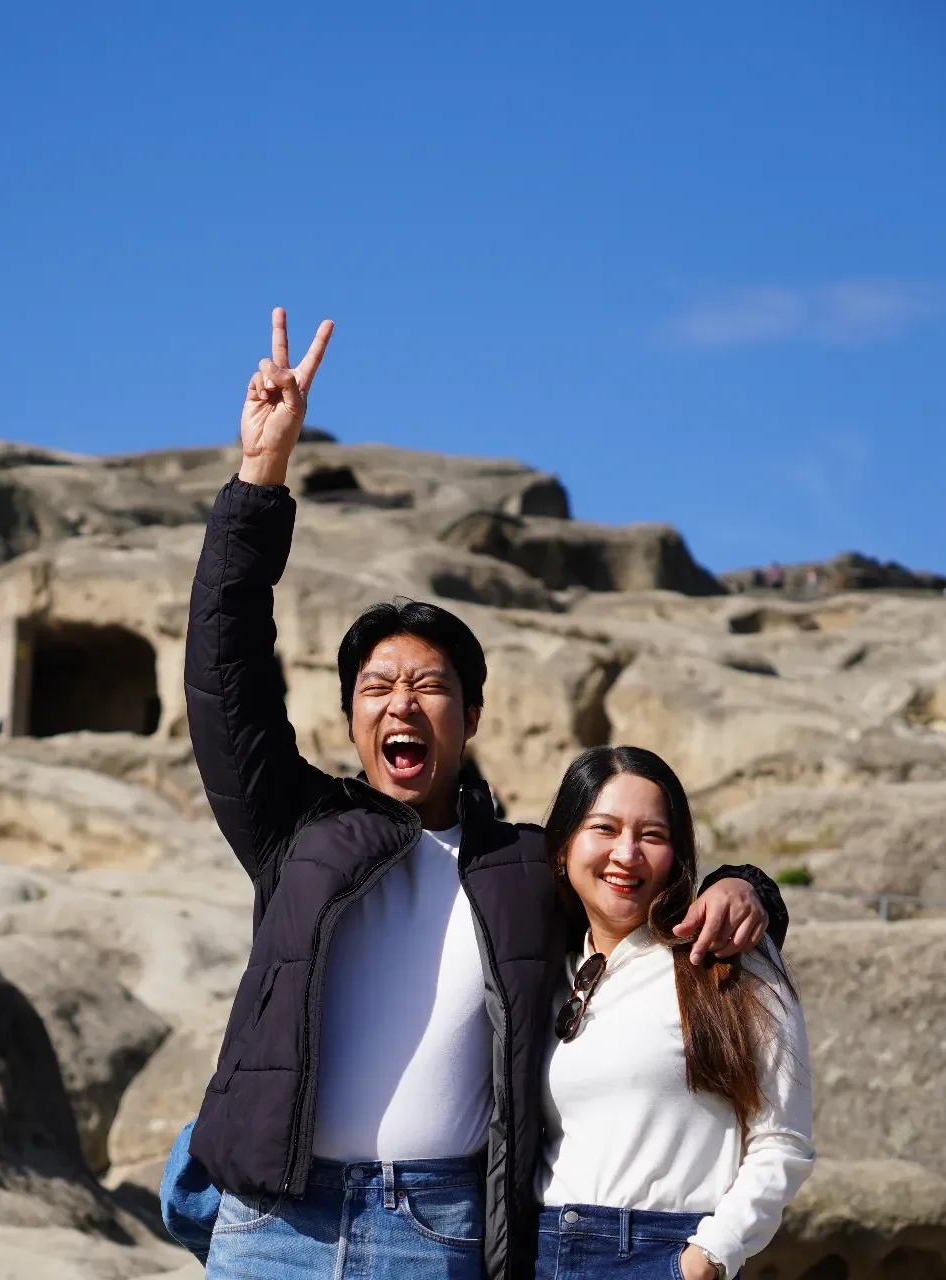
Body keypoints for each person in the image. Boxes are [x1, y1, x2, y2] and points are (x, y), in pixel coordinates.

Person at [170, 309, 787, 1280]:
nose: (401, 703)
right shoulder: (294, 824)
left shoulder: (523, 865)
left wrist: (752, 883)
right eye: (376, 687)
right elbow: (223, 672)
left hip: (436, 1227)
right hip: (274, 1222)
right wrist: (260, 479)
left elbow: (637, 881)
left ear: (473, 713)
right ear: (350, 716)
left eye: (428, 685)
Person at [535, 746, 813, 1280]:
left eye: (652, 836)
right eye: (604, 828)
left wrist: (707, 1258)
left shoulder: (729, 959)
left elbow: (783, 1139)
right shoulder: (545, 965)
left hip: (664, 1253)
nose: (626, 853)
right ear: (563, 845)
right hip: (540, 1248)